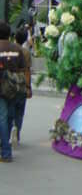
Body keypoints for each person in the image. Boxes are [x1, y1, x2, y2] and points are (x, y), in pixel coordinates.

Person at [0, 20, 25, 162]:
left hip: (2, 88)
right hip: (15, 88)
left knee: (2, 118)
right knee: (9, 118)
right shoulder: (17, 49)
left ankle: (5, 152)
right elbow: (23, 68)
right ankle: (5, 145)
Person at [10, 28, 32, 147]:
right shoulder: (26, 52)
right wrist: (28, 87)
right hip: (22, 83)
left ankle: (10, 128)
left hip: (10, 83)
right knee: (20, 111)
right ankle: (17, 132)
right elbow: (27, 71)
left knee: (10, 109)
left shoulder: (10, 49)